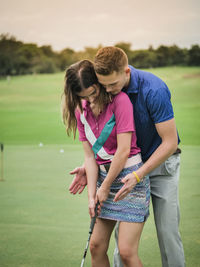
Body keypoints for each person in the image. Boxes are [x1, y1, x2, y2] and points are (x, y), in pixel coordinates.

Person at [69, 47, 185, 267]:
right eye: (103, 85)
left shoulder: (154, 89)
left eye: (113, 84)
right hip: (126, 167)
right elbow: (108, 140)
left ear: (126, 71)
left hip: (161, 165)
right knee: (119, 246)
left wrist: (139, 174)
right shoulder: (107, 94)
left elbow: (169, 143)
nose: (109, 90)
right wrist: (94, 165)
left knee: (167, 233)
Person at [62, 59, 150, 267]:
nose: (89, 100)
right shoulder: (80, 111)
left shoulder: (120, 101)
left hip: (130, 178)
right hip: (104, 179)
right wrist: (92, 196)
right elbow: (90, 158)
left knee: (127, 252)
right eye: (83, 97)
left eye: (93, 93)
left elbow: (123, 150)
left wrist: (106, 186)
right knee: (96, 246)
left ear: (99, 84)